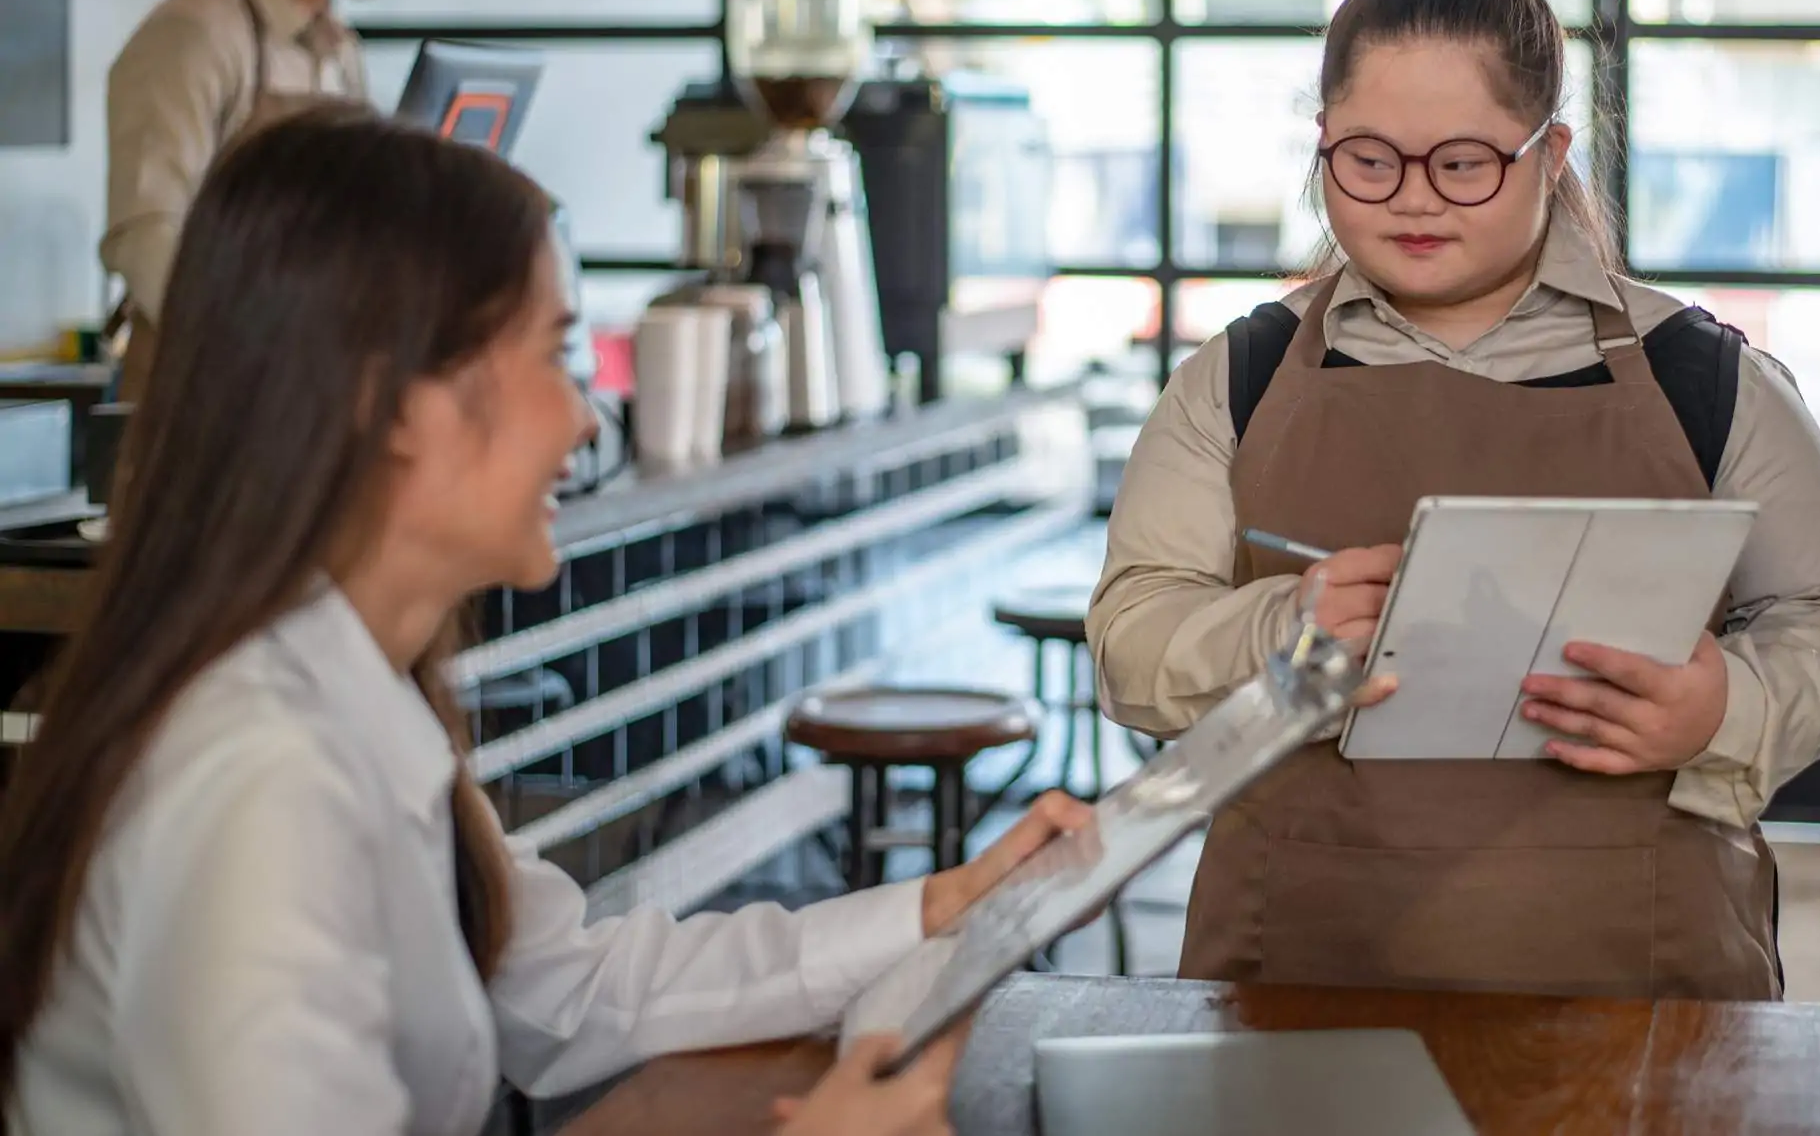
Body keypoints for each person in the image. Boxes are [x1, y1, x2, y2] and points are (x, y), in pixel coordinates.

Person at [0, 108, 1090, 1136]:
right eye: (554, 353)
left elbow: (579, 985)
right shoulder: (257, 779)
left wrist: (946, 902)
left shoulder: (349, 696)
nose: (583, 415)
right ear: (389, 401)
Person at [1089, 0, 1820, 1001]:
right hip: (1302, 962)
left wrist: (1727, 706)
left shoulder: (1703, 376)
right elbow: (1129, 642)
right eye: (1367, 160)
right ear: (1321, 142)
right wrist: (1283, 627)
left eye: (1462, 162)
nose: (1412, 197)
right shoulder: (1236, 377)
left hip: (1645, 966)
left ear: (1546, 153)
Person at [102, 0, 392, 399]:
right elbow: (147, 232)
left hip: (308, 390)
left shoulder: (341, 49)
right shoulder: (194, 35)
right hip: (204, 403)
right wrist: (252, 349)